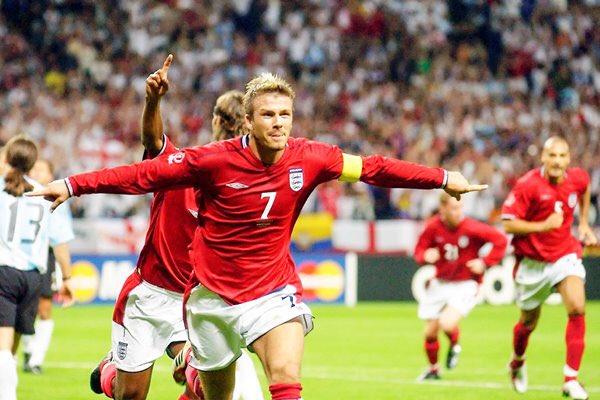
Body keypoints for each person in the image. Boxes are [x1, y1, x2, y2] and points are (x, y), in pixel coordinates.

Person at [28, 72, 487, 400]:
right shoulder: (209, 162)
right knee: (172, 394)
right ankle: (115, 372)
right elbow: (140, 174)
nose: (279, 122)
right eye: (268, 114)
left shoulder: (312, 158)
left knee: (286, 378)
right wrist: (72, 185)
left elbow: (374, 168)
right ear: (249, 121)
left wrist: (442, 177)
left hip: (271, 293)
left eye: (285, 114)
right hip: (206, 301)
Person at [87, 55, 262, 400]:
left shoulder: (242, 190)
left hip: (195, 300)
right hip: (149, 295)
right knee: (130, 395)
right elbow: (154, 141)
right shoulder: (182, 167)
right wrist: (153, 100)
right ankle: (111, 373)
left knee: (207, 388)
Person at [501, 136, 597, 400]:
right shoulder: (528, 185)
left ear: (569, 159)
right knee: (528, 322)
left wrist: (584, 224)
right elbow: (508, 223)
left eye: (562, 156)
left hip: (564, 255)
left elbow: (585, 187)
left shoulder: (576, 178)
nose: (557, 161)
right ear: (543, 157)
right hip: (531, 263)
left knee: (577, 307)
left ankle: (570, 379)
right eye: (552, 156)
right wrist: (542, 226)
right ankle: (517, 361)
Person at [0, 137, 74, 400]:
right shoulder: (47, 193)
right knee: (10, 349)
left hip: (4, 273)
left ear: (7, 159)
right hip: (32, 278)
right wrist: (67, 278)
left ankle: (7, 395)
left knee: (3, 348)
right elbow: (61, 242)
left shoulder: (2, 188)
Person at [413, 193, 507, 381]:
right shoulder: (432, 227)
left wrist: (485, 262)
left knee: (446, 323)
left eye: (460, 207)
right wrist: (425, 256)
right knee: (429, 333)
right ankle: (434, 370)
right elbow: (419, 250)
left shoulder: (472, 227)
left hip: (466, 284)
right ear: (443, 209)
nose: (459, 212)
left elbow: (501, 240)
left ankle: (455, 343)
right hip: (441, 283)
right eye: (454, 208)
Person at [20, 159, 75, 375]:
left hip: (46, 256)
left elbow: (60, 238)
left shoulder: (55, 197)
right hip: (21, 257)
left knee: (44, 308)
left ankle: (35, 360)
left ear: (50, 174)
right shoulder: (18, 192)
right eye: (34, 167)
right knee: (24, 309)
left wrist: (66, 275)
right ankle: (27, 350)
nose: (36, 171)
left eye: (42, 168)